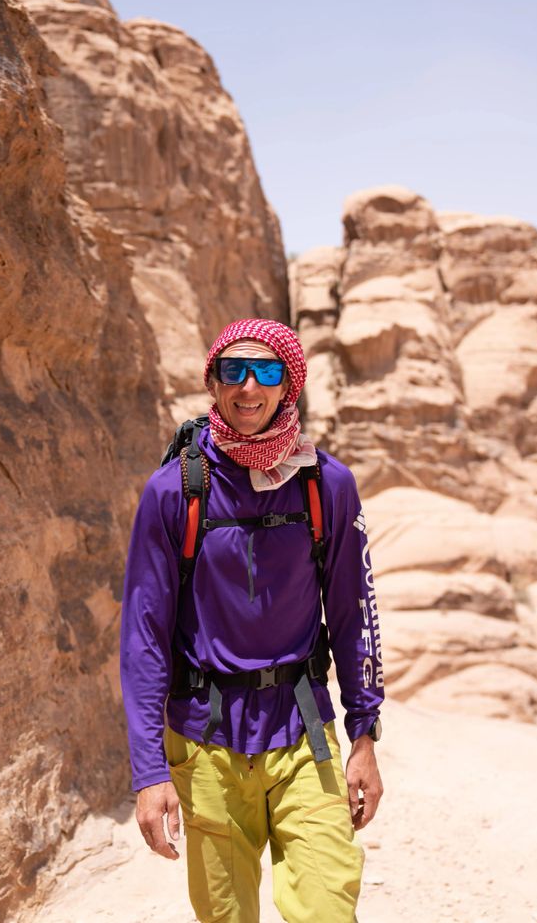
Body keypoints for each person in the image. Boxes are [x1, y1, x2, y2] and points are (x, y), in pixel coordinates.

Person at [120, 318, 384, 923]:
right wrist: (149, 771)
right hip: (205, 740)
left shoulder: (327, 485)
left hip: (305, 733)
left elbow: (354, 614)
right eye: (233, 370)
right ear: (211, 382)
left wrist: (364, 735)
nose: (248, 387)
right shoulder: (175, 491)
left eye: (266, 371)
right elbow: (143, 637)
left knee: (326, 910)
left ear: (289, 383)